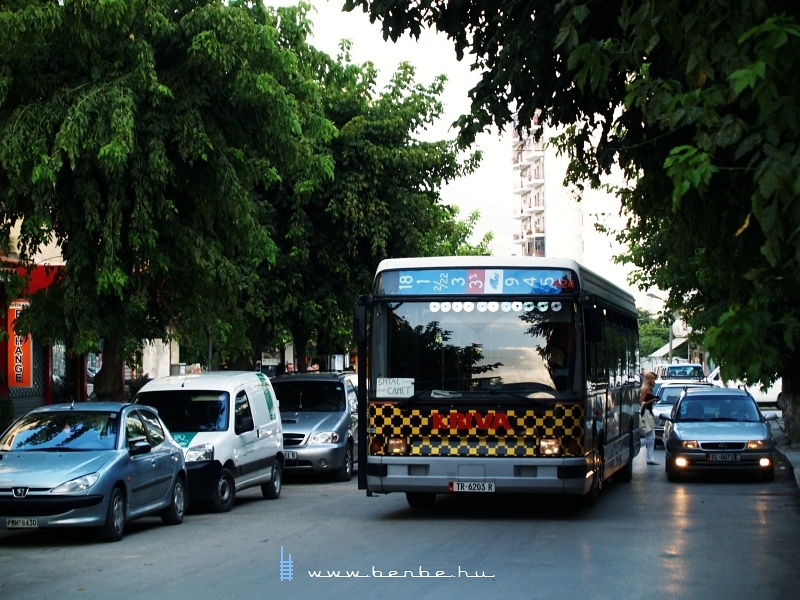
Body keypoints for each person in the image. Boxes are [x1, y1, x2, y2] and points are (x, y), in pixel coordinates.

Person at [640, 371, 660, 465]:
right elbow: (642, 402)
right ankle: (636, 445)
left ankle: (650, 459)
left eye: (654, 378)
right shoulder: (645, 389)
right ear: (648, 379)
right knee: (651, 438)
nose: (654, 380)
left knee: (651, 437)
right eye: (652, 378)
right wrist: (653, 400)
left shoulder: (650, 389)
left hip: (649, 413)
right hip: (646, 413)